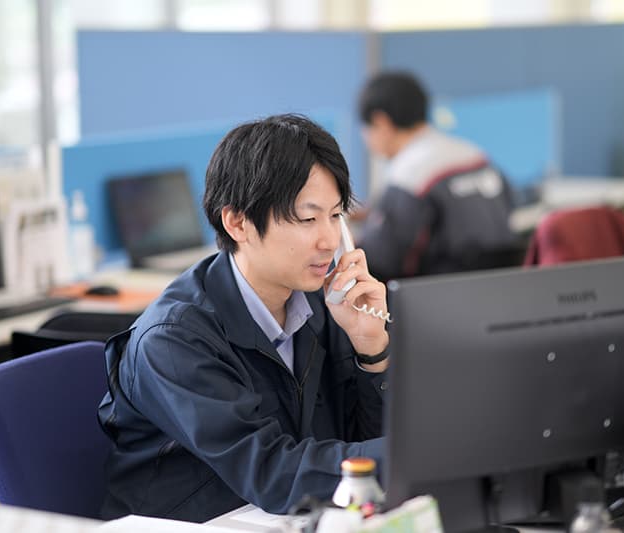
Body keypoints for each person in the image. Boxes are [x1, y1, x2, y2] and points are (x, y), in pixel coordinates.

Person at [98, 114, 390, 523]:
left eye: (336, 215)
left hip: (285, 518)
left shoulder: (326, 304)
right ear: (237, 222)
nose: (328, 240)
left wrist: (371, 350)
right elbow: (273, 473)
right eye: (308, 218)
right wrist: (415, 452)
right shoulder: (174, 339)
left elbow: (364, 443)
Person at [356, 71, 519, 281]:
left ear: (381, 122)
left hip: (440, 293)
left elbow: (381, 260)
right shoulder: (475, 155)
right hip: (501, 285)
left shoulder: (408, 176)